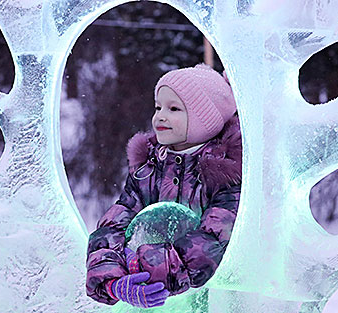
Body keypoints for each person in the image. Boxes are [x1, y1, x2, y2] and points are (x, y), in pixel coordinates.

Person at [86, 64, 242, 308]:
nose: (160, 115)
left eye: (174, 108)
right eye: (158, 107)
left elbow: (213, 242)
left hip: (212, 300)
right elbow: (113, 225)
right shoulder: (148, 170)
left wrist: (143, 266)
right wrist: (112, 280)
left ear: (206, 119)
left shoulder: (226, 174)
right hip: (159, 304)